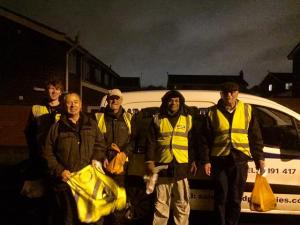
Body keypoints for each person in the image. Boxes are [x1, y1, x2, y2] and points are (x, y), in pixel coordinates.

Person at [199, 82, 265, 225]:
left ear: (237, 93)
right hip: (219, 161)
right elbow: (204, 140)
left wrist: (259, 158)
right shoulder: (212, 112)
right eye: (225, 92)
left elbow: (255, 137)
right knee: (221, 197)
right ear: (221, 94)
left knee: (235, 198)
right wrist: (206, 161)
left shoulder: (247, 110)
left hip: (239, 161)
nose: (229, 95)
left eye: (232, 92)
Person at [43, 92, 106, 225]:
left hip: (89, 182)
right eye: (69, 102)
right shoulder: (57, 128)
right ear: (64, 106)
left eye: (76, 102)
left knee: (93, 219)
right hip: (67, 183)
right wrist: (60, 171)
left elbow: (100, 145)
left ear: (81, 104)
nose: (73, 105)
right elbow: (48, 153)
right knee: (69, 219)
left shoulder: (92, 124)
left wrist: (96, 158)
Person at [145, 90, 197, 225]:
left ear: (181, 103)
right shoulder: (157, 118)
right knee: (161, 204)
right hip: (162, 167)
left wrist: (193, 161)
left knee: (182, 203)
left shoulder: (188, 119)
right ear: (165, 102)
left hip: (181, 167)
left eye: (176, 101)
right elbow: (150, 142)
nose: (173, 103)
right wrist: (150, 161)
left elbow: (192, 143)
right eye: (170, 100)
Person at [21, 79, 64, 224]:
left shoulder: (65, 109)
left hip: (59, 159)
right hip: (39, 159)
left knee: (57, 195)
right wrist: (35, 152)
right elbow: (29, 132)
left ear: (61, 91)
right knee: (38, 196)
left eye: (56, 89)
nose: (53, 91)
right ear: (46, 90)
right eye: (51, 88)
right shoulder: (36, 109)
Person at [95, 89, 133, 225]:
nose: (114, 101)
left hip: (120, 167)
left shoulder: (128, 118)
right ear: (107, 100)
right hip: (102, 166)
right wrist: (102, 156)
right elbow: (95, 140)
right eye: (112, 98)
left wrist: (124, 154)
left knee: (118, 200)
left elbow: (133, 140)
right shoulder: (98, 117)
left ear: (121, 100)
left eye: (117, 98)